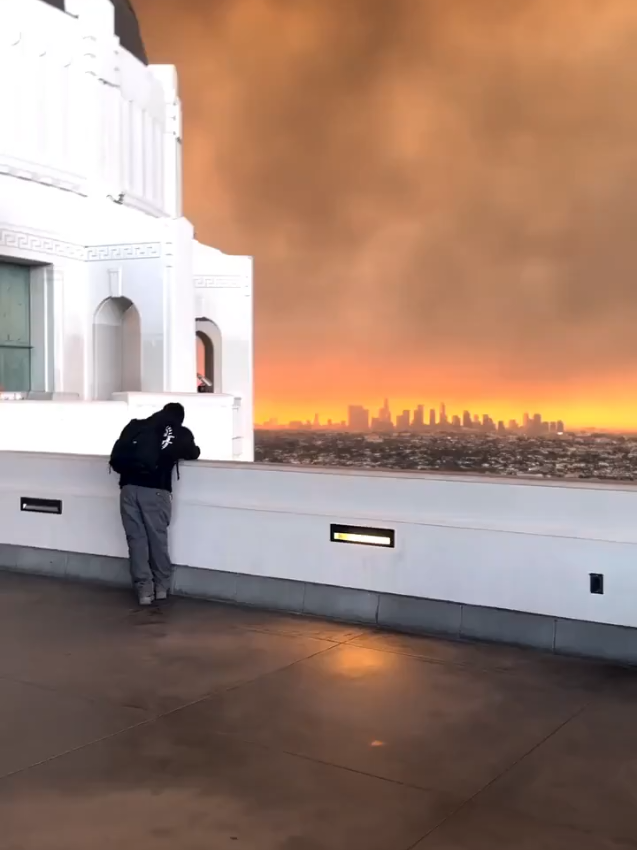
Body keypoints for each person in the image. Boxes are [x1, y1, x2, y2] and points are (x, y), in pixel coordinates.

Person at [109, 402, 200, 606]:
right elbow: (193, 452)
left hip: (128, 489)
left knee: (136, 540)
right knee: (157, 539)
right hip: (155, 491)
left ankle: (144, 592)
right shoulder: (177, 431)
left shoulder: (137, 426)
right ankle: (161, 588)